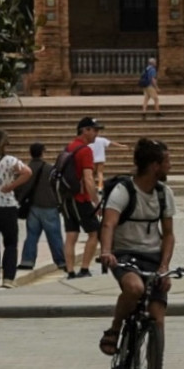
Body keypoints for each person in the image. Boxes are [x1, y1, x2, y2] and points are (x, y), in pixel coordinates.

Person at [97, 138, 176, 369]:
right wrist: (107, 251)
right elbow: (108, 223)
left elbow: (169, 235)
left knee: (158, 319)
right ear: (154, 165)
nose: (169, 165)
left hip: (153, 257)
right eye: (166, 161)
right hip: (124, 254)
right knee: (133, 288)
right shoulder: (123, 190)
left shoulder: (165, 193)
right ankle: (116, 328)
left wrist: (164, 266)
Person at [0, 130, 33, 290]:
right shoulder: (10, 160)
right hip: (7, 206)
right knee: (10, 243)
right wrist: (11, 186)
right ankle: (8, 278)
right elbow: (27, 172)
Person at [62, 117, 103, 279]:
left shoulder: (69, 147)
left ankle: (70, 271)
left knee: (71, 235)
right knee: (95, 233)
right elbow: (88, 178)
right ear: (84, 130)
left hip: (66, 198)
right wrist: (96, 201)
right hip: (80, 198)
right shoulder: (85, 151)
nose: (96, 134)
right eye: (94, 130)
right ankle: (84, 269)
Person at [16, 143, 66, 273]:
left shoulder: (25, 168)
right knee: (54, 236)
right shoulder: (49, 169)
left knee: (31, 235)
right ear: (43, 152)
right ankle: (61, 261)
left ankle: (27, 261)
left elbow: (18, 187)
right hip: (49, 206)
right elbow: (57, 187)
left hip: (32, 206)